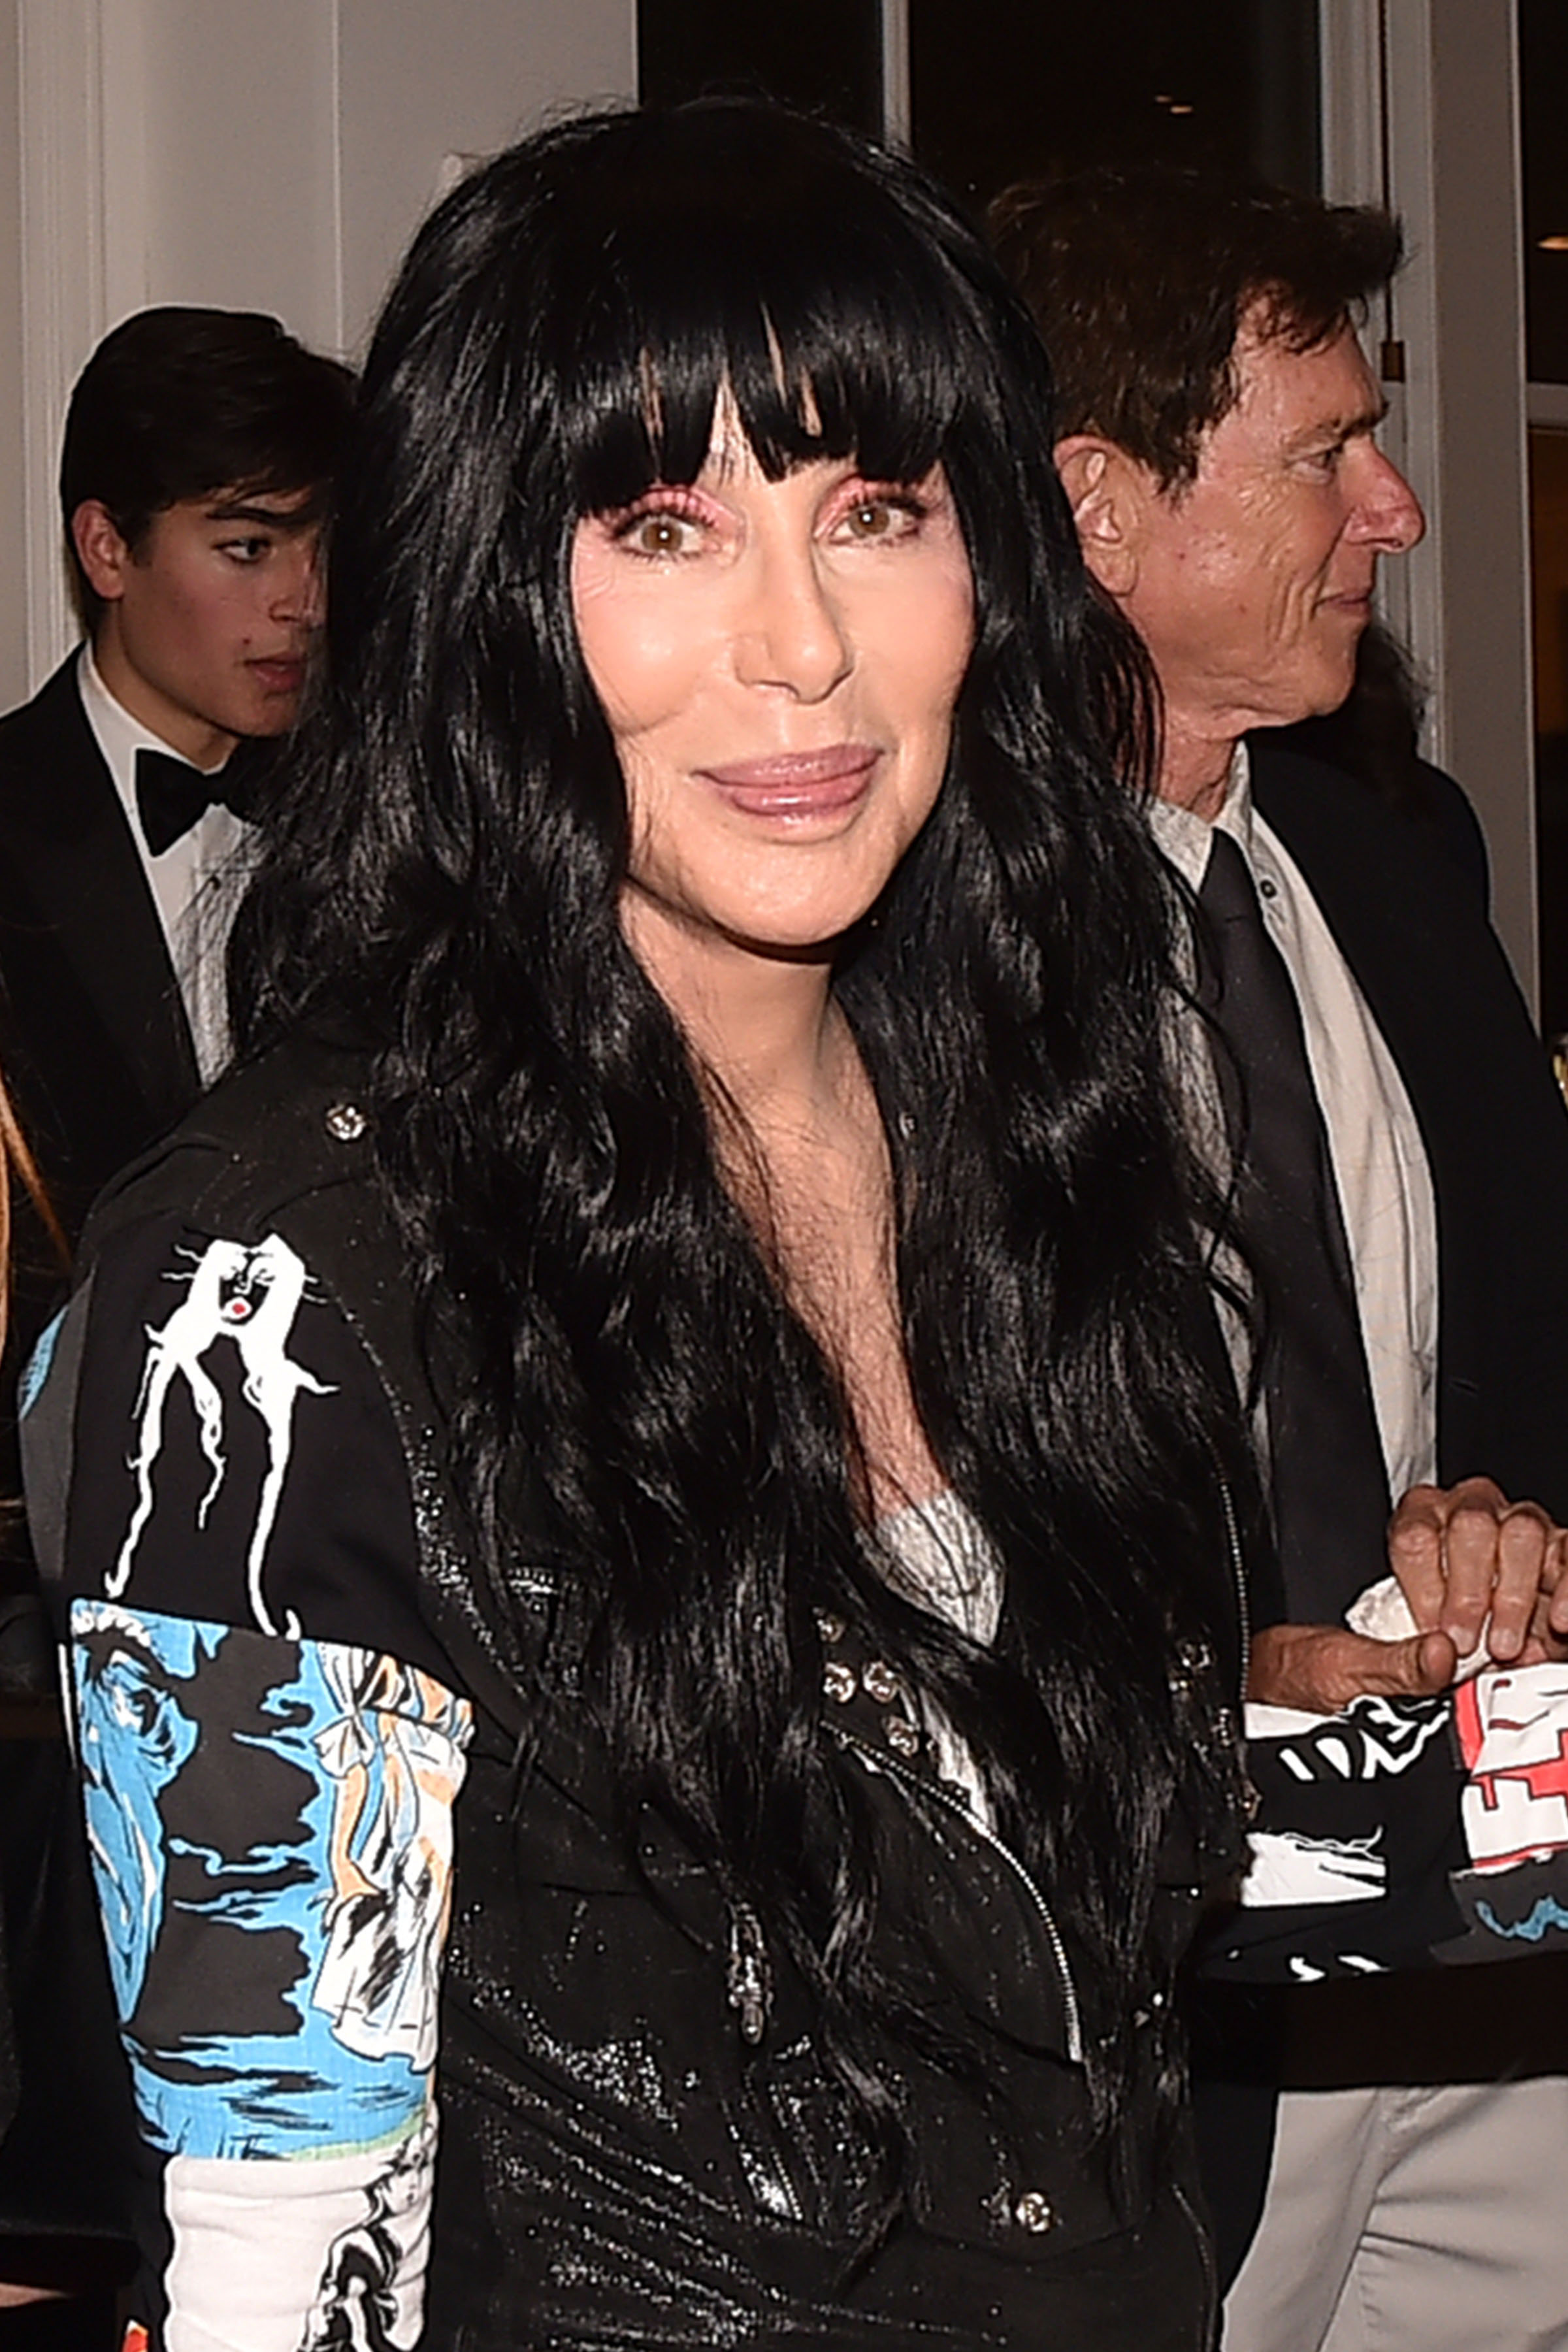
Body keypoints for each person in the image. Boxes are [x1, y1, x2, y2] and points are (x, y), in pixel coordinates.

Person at [21, 101, 1273, 2349]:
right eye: (666, 526)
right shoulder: (280, 1291)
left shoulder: (1031, 1147)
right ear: (493, 591)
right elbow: (284, 2270)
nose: (801, 650)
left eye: (875, 511)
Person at [992, 161, 1568, 2351]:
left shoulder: (1394, 857)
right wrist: (1194, 1669)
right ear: (1100, 508)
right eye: (1326, 452)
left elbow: (1513, 1322)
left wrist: (1515, 1516)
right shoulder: (909, 964)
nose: (1398, 509)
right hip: (1143, 2008)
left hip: (1490, 1965)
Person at [0, 306, 355, 1260]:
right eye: (249, 548)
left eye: (322, 547)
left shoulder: (375, 813)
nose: (305, 602)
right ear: (108, 550)